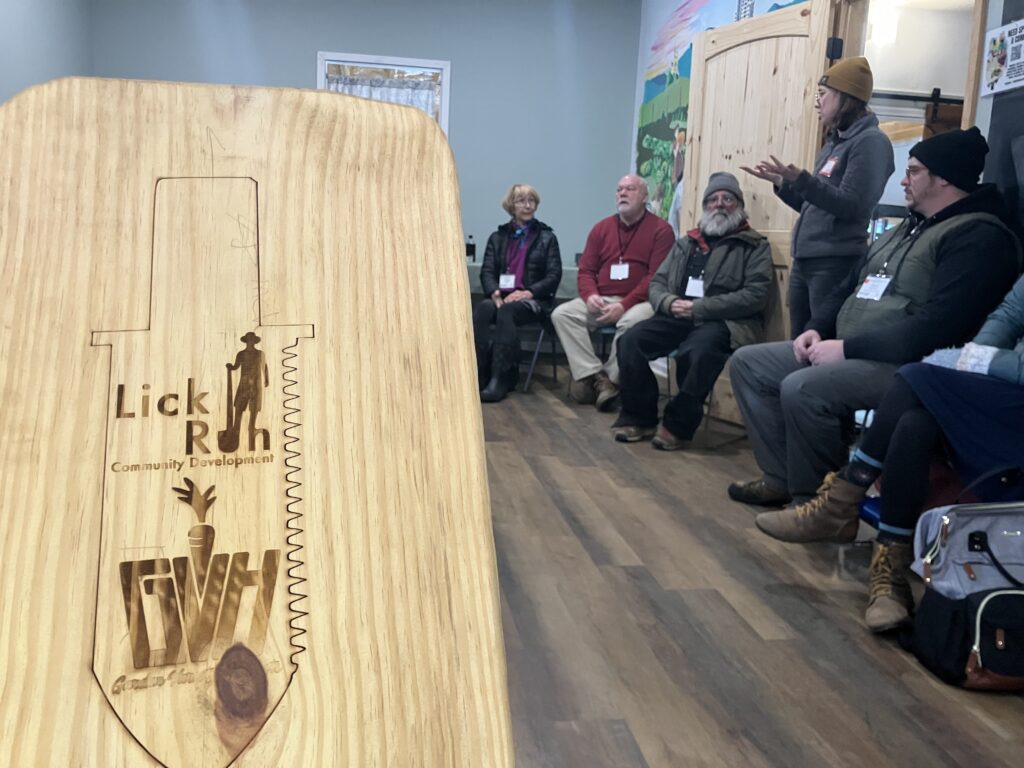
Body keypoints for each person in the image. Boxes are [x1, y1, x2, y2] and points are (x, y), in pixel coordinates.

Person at [727, 127, 1023, 508]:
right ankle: (779, 478)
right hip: (849, 348)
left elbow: (938, 327)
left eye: (913, 171)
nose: (903, 179)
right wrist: (816, 328)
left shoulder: (980, 238)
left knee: (803, 388)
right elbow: (847, 286)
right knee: (749, 364)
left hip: (908, 366)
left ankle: (818, 504)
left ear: (944, 178)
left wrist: (846, 349)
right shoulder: (904, 229)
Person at [755, 270, 1024, 632]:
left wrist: (977, 362)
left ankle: (842, 499)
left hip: (1012, 408)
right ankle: (890, 573)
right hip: (1002, 393)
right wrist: (975, 360)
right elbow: (1009, 314)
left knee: (916, 377)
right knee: (915, 423)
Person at [611, 172, 773, 448]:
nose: (719, 204)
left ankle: (677, 425)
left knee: (697, 352)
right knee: (630, 341)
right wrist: (668, 303)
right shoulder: (686, 243)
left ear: (739, 206)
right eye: (713, 199)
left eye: (727, 199)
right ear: (705, 206)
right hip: (677, 315)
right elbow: (658, 283)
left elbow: (754, 296)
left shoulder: (754, 245)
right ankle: (640, 417)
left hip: (724, 322)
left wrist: (700, 308)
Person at [741, 56, 894, 337]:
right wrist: (783, 184)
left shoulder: (871, 142)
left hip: (834, 264)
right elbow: (814, 206)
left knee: (819, 342)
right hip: (806, 260)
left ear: (845, 97)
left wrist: (802, 180)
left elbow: (852, 205)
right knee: (798, 344)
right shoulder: (833, 143)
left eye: (822, 94)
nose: (817, 103)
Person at [551, 174, 675, 410]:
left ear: (645, 197)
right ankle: (595, 377)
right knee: (562, 314)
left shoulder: (662, 230)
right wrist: (590, 295)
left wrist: (624, 305)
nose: (622, 193)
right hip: (604, 298)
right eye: (619, 189)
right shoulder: (601, 228)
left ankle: (610, 380)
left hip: (643, 301)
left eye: (630, 189)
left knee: (630, 323)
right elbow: (586, 270)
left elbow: (655, 278)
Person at [473, 183, 562, 403]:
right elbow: (487, 271)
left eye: (532, 201)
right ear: (511, 206)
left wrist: (528, 292)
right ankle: (479, 374)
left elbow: (553, 276)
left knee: (507, 312)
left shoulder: (547, 237)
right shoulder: (498, 237)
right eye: (522, 201)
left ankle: (500, 378)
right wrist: (494, 292)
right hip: (501, 297)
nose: (528, 205)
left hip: (533, 301)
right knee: (483, 309)